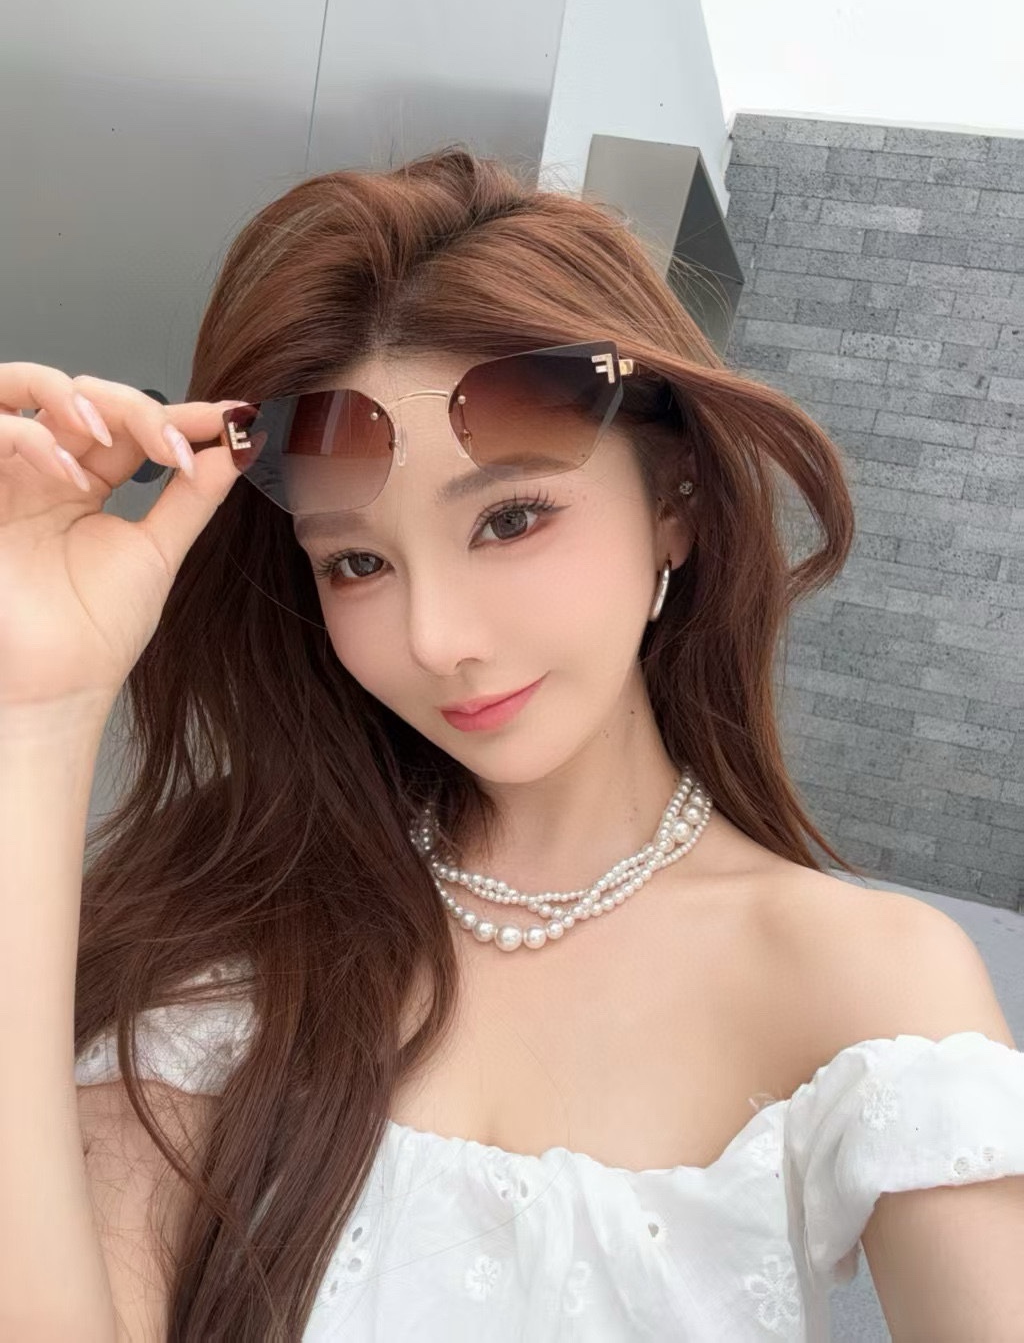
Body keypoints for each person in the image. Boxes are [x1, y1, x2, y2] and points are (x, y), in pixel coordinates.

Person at [2, 145, 1021, 1343]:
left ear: (676, 502)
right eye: (357, 561)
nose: (436, 639)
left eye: (511, 517)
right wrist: (35, 715)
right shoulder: (234, 909)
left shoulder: (864, 980)